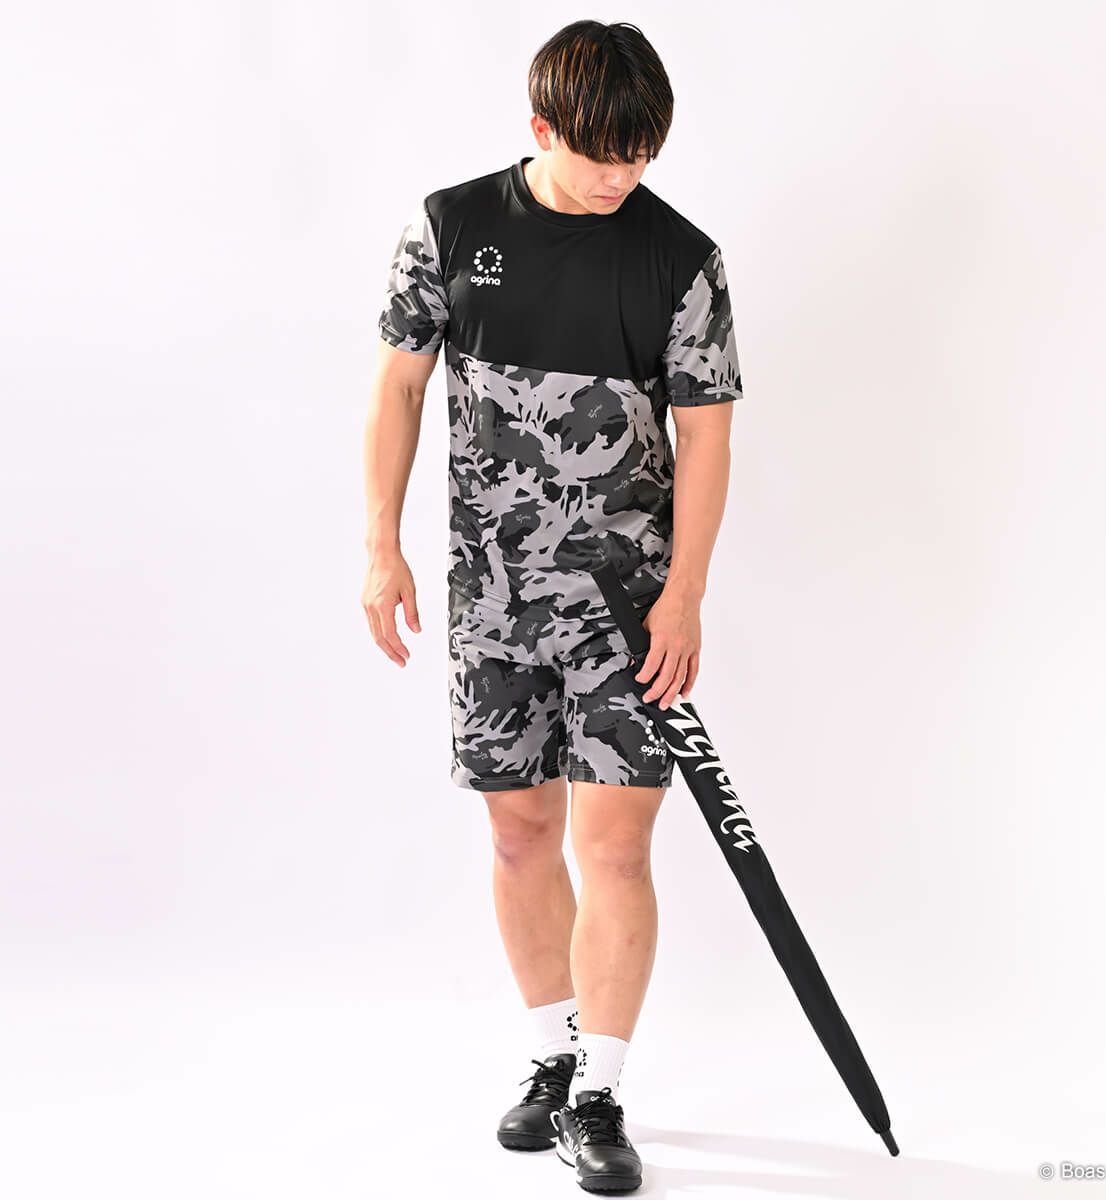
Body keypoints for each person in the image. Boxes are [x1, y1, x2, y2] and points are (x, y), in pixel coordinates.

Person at [362, 19, 743, 1194]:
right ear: (541, 128)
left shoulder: (681, 258)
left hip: (629, 613)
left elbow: (707, 435)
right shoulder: (450, 228)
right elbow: (399, 388)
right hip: (490, 597)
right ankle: (551, 1055)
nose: (623, 177)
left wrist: (685, 597)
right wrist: (380, 546)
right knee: (518, 833)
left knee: (614, 846)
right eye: (601, 157)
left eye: (642, 156)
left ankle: (601, 1092)